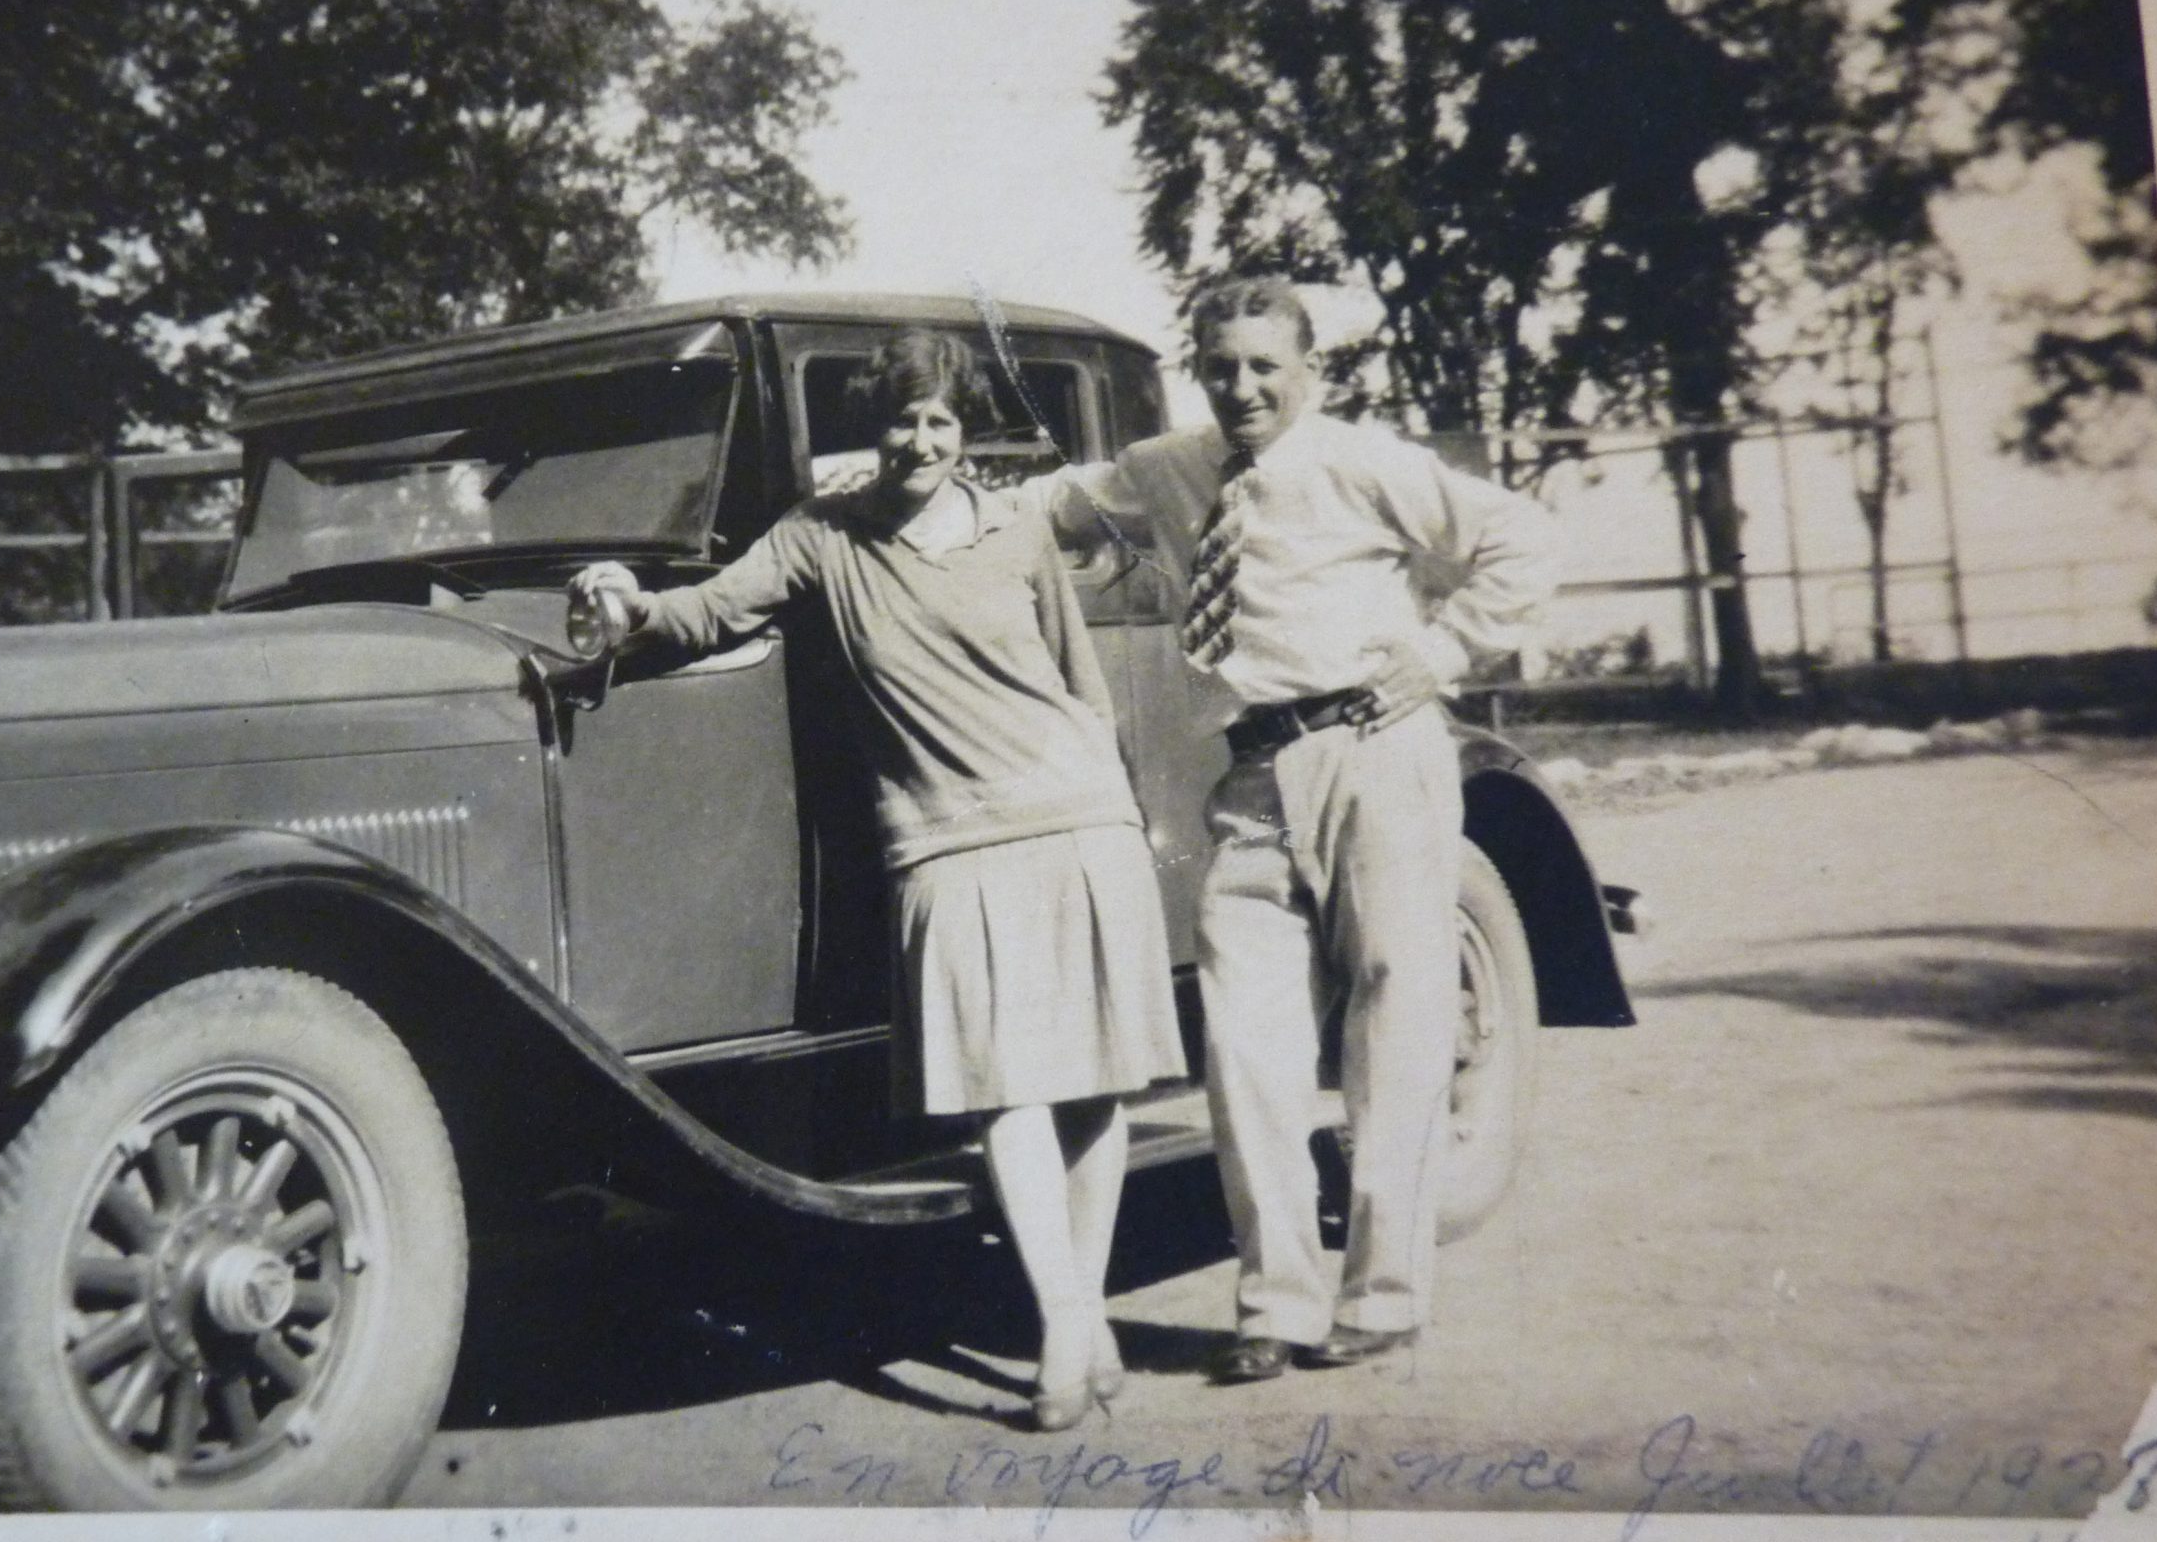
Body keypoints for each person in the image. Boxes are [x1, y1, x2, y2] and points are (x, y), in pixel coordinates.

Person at [568, 326, 1186, 1432]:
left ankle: (1075, 1319)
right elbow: (708, 609)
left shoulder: (1016, 527)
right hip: (945, 843)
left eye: (941, 418)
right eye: (900, 418)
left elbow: (1078, 679)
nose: (921, 438)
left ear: (966, 430)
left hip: (1076, 818)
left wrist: (1127, 814)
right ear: (872, 427)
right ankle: (1064, 1326)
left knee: (1095, 1090)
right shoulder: (822, 538)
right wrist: (625, 609)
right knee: (1006, 1095)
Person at [1038, 276, 1556, 1384]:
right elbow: (1060, 502)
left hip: (1378, 754)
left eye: (1264, 366)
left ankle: (1383, 1292)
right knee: (1246, 1042)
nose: (1241, 387)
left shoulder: (1361, 460)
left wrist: (1446, 650)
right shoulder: (1171, 468)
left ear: (1306, 370)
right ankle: (1274, 1300)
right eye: (1220, 366)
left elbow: (1519, 536)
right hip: (1253, 774)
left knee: (1396, 1021)